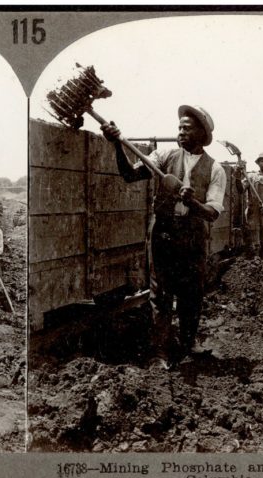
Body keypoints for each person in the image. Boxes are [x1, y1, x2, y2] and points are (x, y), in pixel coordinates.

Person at [101, 104, 226, 367]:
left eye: (187, 128)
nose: (180, 132)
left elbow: (212, 213)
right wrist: (116, 145)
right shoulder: (163, 155)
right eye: (179, 127)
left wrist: (192, 203)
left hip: (193, 236)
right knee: (160, 295)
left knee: (191, 295)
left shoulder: (216, 169)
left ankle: (188, 345)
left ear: (202, 134)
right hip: (164, 235)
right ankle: (160, 352)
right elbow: (130, 175)